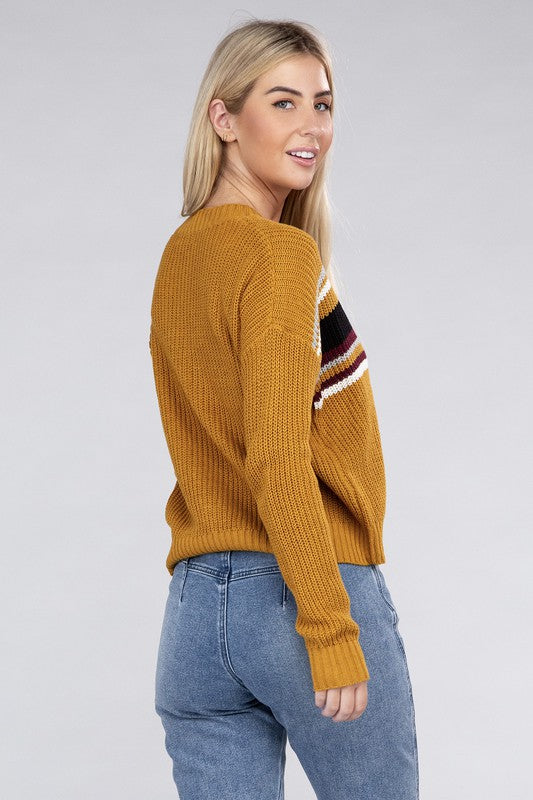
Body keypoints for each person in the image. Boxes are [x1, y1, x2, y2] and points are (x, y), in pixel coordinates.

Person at [149, 17, 419, 800]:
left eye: (321, 104)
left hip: (196, 616)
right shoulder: (279, 254)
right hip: (300, 596)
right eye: (282, 102)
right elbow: (274, 454)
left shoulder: (182, 253)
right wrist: (328, 628)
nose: (311, 127)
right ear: (224, 118)